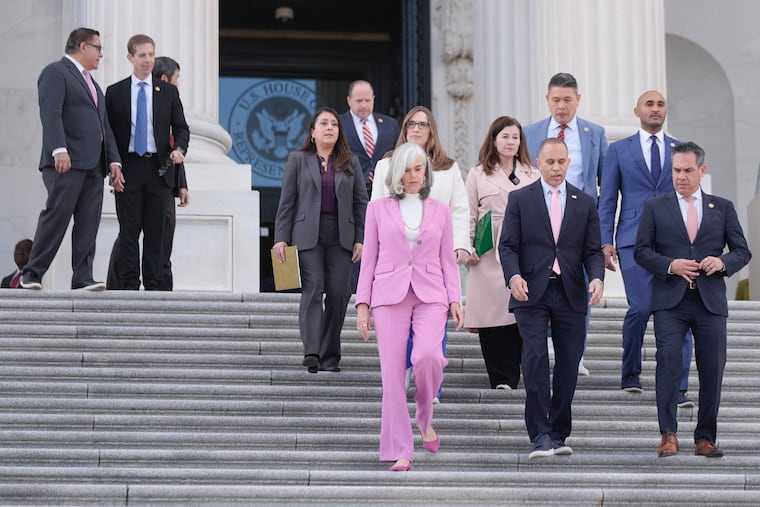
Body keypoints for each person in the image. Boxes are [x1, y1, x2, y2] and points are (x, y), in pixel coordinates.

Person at [634, 141, 750, 458]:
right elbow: (642, 251)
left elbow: (743, 251)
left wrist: (722, 263)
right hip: (670, 301)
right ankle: (668, 434)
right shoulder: (655, 207)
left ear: (702, 170)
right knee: (668, 364)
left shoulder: (722, 207)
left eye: (687, 170)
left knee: (712, 370)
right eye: (676, 170)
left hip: (710, 301)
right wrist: (670, 265)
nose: (681, 176)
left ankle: (705, 438)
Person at [356, 142, 464, 472]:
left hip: (431, 293)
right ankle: (401, 450)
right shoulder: (377, 210)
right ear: (397, 173)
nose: (413, 175)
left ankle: (423, 415)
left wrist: (455, 298)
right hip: (389, 295)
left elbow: (448, 259)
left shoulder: (440, 211)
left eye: (419, 168)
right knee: (391, 377)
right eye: (407, 169)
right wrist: (363, 304)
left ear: (426, 172)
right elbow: (369, 260)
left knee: (428, 356)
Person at [499, 138, 605, 460]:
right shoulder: (520, 199)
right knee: (534, 359)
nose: (556, 168)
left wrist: (597, 277)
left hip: (571, 291)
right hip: (531, 290)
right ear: (539, 164)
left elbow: (592, 250)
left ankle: (559, 433)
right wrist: (514, 276)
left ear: (568, 162)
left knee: (569, 365)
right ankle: (540, 435)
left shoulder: (585, 202)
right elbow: (508, 246)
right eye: (550, 162)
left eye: (562, 162)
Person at [598, 90, 694, 406]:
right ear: (637, 110)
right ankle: (631, 375)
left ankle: (678, 387)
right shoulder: (618, 150)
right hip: (631, 240)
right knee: (640, 307)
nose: (655, 109)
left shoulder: (680, 150)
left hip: (674, 244)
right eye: (649, 104)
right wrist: (605, 240)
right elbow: (608, 198)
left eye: (660, 104)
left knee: (678, 312)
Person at [371, 105, 470, 401]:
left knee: (433, 326)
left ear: (431, 131)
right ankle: (400, 375)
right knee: (401, 329)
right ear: (404, 129)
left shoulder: (448, 168)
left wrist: (460, 245)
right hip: (397, 262)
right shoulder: (386, 165)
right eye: (411, 124)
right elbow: (375, 211)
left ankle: (430, 385)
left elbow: (459, 209)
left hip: (434, 262)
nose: (416, 128)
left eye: (423, 124)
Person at [20, 27, 123, 291]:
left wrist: (114, 161)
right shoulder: (56, 72)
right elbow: (50, 112)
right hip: (66, 162)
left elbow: (105, 128)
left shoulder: (94, 86)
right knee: (57, 216)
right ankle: (31, 274)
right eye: (98, 48)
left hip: (94, 166)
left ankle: (82, 277)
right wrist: (58, 149)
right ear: (83, 46)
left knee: (89, 222)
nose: (101, 54)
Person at [524, 72, 608, 376]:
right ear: (547, 99)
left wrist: (605, 231)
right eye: (556, 99)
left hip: (580, 219)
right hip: (539, 218)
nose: (562, 106)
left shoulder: (594, 134)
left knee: (580, 282)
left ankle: (575, 353)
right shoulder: (529, 132)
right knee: (540, 280)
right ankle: (542, 343)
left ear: (578, 100)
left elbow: (605, 184)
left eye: (567, 100)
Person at [273, 107, 367, 373]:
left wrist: (361, 238)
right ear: (312, 133)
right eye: (323, 124)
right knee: (313, 289)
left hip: (342, 236)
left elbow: (361, 203)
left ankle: (330, 355)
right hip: (307, 235)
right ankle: (312, 351)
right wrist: (281, 238)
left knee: (339, 293)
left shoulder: (351, 162)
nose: (329, 128)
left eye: (334, 124)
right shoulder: (298, 160)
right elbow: (287, 203)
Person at [105, 34, 190, 290]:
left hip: (159, 169)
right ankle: (130, 284)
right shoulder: (115, 92)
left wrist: (180, 150)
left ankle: (154, 286)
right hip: (128, 168)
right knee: (129, 232)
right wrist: (113, 165)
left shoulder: (167, 92)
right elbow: (107, 134)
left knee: (156, 233)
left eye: (151, 54)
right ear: (130, 57)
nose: (148, 60)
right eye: (142, 55)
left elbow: (182, 128)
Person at [464, 116, 539, 389]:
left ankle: (523, 370)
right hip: (488, 248)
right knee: (491, 313)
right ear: (494, 140)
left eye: (515, 137)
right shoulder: (478, 173)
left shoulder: (533, 173)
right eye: (505, 136)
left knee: (521, 310)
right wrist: (468, 245)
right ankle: (502, 376)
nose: (510, 142)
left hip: (524, 248)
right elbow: (468, 214)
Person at [339, 80, 400, 195]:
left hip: (385, 192)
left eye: (367, 100)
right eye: (359, 101)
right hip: (350, 192)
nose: (364, 105)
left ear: (373, 99)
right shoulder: (338, 124)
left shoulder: (390, 125)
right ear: (349, 101)